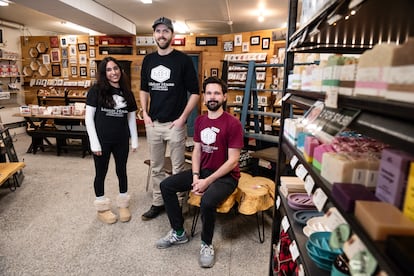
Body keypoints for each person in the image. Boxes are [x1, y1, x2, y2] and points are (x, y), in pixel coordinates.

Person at [156, 77, 244, 268]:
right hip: (203, 171)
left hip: (226, 177)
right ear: (204, 97)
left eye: (217, 93)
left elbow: (233, 161)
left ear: (224, 97)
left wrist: (207, 181)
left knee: (207, 200)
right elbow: (196, 150)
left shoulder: (232, 124)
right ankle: (178, 233)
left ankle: (206, 244)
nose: (212, 97)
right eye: (209, 93)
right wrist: (196, 177)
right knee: (166, 185)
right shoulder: (200, 120)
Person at [140, 16, 200, 220]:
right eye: (158, 31)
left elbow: (195, 92)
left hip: (175, 124)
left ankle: (180, 203)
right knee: (156, 167)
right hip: (154, 124)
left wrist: (183, 117)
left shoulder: (182, 60)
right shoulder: (148, 60)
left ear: (172, 34)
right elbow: (143, 89)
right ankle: (158, 202)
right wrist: (145, 114)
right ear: (154, 35)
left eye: (166, 31)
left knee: (177, 168)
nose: (162, 34)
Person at [85, 56, 138, 224]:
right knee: (101, 172)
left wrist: (135, 140)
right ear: (103, 73)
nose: (113, 72)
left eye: (115, 68)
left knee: (121, 170)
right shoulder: (96, 90)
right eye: (108, 70)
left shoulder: (126, 91)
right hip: (102, 141)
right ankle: (102, 207)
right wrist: (94, 142)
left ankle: (123, 203)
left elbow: (131, 118)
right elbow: (88, 118)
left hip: (121, 140)